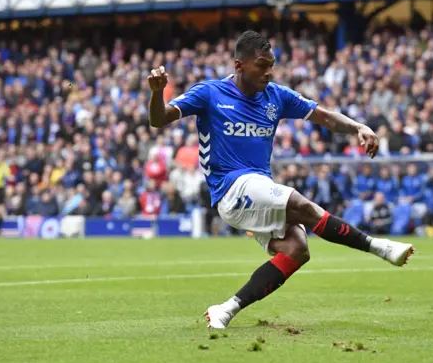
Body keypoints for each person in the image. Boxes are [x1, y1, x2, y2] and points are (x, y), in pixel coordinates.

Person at [147, 31, 414, 329]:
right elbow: (159, 119)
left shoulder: (276, 95)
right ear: (239, 65)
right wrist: (157, 93)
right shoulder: (209, 93)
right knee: (301, 204)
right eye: (261, 65)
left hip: (258, 188)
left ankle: (226, 309)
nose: (268, 71)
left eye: (271, 64)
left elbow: (324, 117)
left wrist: (358, 127)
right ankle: (379, 247)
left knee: (297, 250)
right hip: (230, 189)